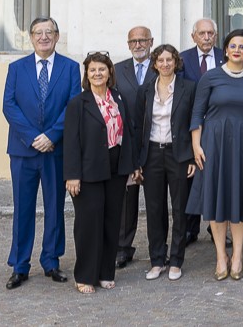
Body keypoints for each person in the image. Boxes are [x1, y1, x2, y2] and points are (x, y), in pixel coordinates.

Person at [186, 29, 243, 281]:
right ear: (225, 50)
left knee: (239, 199)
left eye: (242, 46)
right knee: (216, 200)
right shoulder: (210, 77)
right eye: (233, 46)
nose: (237, 50)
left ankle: (236, 255)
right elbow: (197, 113)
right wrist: (196, 146)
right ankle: (220, 256)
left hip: (241, 146)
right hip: (213, 146)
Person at [3, 17, 81, 289]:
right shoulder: (16, 68)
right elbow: (9, 105)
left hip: (55, 150)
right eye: (38, 32)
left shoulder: (71, 68)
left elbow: (73, 105)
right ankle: (20, 265)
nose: (44, 37)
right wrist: (33, 137)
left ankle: (51, 261)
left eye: (49, 32)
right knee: (22, 208)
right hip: (23, 151)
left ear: (57, 36)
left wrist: (52, 136)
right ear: (31, 37)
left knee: (55, 207)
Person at [63, 52, 141, 294]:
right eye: (93, 70)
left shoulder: (118, 98)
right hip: (88, 171)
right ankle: (85, 275)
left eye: (102, 69)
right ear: (87, 75)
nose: (97, 73)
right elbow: (71, 141)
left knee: (111, 221)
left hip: (116, 169)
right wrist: (72, 175)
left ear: (109, 73)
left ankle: (106, 272)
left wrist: (133, 165)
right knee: (89, 223)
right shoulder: (78, 103)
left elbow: (128, 133)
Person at [137, 44, 196, 281]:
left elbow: (194, 123)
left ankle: (176, 260)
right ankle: (157, 260)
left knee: (179, 208)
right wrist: (138, 160)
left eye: (169, 60)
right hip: (152, 153)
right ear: (154, 63)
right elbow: (138, 125)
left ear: (176, 62)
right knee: (154, 209)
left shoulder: (188, 88)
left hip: (178, 154)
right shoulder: (145, 90)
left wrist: (192, 156)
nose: (165, 64)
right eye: (160, 60)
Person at [113, 25, 156, 270]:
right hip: (125, 142)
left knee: (155, 199)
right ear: (128, 44)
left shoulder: (162, 65)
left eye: (142, 40)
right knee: (126, 200)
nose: (138, 45)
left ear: (151, 42)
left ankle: (157, 248)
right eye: (133, 41)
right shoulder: (117, 70)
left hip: (155, 141)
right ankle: (122, 247)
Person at [179, 18, 224, 246]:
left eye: (210, 33)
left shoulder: (226, 56)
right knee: (191, 178)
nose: (206, 37)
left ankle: (217, 227)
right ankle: (190, 228)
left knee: (218, 177)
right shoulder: (182, 59)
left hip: (219, 125)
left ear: (216, 35)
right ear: (193, 36)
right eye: (202, 33)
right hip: (191, 125)